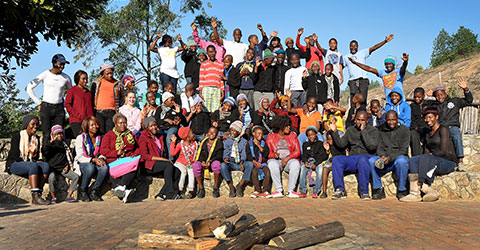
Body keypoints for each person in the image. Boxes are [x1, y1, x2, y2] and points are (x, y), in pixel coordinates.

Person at [401, 107, 457, 202]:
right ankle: (415, 193)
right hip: (432, 160)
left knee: (427, 158)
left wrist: (429, 156)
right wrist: (426, 157)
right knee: (413, 160)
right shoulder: (428, 133)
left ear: (437, 117)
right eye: (426, 118)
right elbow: (426, 151)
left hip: (447, 162)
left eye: (430, 117)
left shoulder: (443, 130)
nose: (428, 120)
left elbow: (444, 151)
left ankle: (427, 189)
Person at [329, 111, 378, 200]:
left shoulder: (373, 130)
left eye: (362, 120)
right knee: (336, 159)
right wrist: (335, 131)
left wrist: (363, 131)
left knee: (362, 160)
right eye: (358, 120)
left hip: (366, 157)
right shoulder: (350, 130)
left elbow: (372, 147)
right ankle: (340, 190)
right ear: (355, 119)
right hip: (353, 158)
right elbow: (341, 144)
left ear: (367, 121)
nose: (360, 122)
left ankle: (364, 192)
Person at [26, 54, 72, 144]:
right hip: (46, 106)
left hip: (59, 108)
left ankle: (59, 157)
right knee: (47, 134)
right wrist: (38, 103)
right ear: (54, 63)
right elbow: (29, 88)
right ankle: (46, 157)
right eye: (60, 64)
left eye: (64, 64)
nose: (62, 67)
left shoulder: (66, 77)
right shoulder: (45, 74)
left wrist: (66, 103)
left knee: (59, 133)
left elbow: (72, 92)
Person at [6, 115, 50, 205]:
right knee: (33, 166)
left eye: (37, 125)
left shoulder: (36, 138)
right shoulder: (17, 136)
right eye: (33, 124)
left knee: (45, 166)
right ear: (27, 124)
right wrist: (30, 161)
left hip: (28, 163)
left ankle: (38, 193)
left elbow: (35, 158)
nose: (35, 127)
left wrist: (34, 158)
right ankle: (35, 197)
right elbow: (15, 156)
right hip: (14, 163)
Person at [431, 78, 473, 168]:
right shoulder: (434, 105)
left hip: (452, 126)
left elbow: (469, 101)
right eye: (437, 95)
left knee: (457, 135)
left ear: (446, 94)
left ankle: (460, 160)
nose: (440, 97)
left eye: (442, 94)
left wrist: (466, 89)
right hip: (441, 128)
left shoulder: (455, 101)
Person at [368, 111, 410, 200]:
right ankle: (378, 189)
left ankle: (402, 189)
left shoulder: (405, 130)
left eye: (393, 120)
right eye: (389, 120)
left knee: (402, 161)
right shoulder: (380, 130)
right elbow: (379, 147)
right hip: (385, 159)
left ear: (397, 119)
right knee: (371, 161)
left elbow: (403, 150)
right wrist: (382, 156)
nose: (391, 122)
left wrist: (390, 158)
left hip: (397, 159)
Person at [100, 113, 140, 203]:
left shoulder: (131, 135)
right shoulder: (109, 135)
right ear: (115, 124)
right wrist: (116, 152)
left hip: (128, 161)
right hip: (114, 161)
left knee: (134, 168)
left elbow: (138, 147)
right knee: (112, 173)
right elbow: (103, 150)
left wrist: (135, 153)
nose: (123, 125)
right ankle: (125, 191)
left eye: (125, 123)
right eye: (120, 123)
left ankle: (121, 187)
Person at [344, 34, 394, 105]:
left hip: (363, 79)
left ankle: (363, 114)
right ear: (349, 47)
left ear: (358, 46)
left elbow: (374, 48)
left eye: (355, 46)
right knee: (353, 101)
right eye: (351, 46)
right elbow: (340, 66)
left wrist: (385, 41)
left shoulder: (362, 53)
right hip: (352, 80)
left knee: (363, 100)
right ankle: (353, 114)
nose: (353, 47)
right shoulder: (346, 57)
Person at [139, 117, 181, 200]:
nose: (154, 127)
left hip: (158, 163)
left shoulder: (159, 136)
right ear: (147, 127)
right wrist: (164, 159)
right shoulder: (143, 137)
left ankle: (161, 194)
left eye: (155, 125)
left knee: (177, 171)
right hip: (148, 165)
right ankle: (170, 193)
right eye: (151, 126)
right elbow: (145, 156)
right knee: (168, 165)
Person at [42, 125, 79, 203]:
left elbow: (67, 157)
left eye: (61, 133)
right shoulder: (50, 144)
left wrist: (67, 166)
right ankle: (53, 197)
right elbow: (44, 151)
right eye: (57, 134)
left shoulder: (64, 145)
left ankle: (69, 196)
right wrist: (51, 142)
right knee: (51, 178)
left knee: (75, 177)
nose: (60, 135)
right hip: (52, 168)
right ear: (53, 134)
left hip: (62, 168)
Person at [266, 115, 301, 198]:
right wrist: (274, 155)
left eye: (289, 125)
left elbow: (297, 151)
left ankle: (291, 191)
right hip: (276, 160)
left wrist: (287, 158)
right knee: (272, 164)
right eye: (286, 126)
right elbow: (267, 152)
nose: (289, 127)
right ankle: (278, 190)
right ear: (280, 126)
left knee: (295, 163)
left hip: (289, 160)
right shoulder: (271, 137)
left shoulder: (292, 136)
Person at [74, 116, 108, 202]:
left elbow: (103, 152)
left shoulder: (100, 137)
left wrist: (101, 159)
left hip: (96, 160)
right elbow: (80, 156)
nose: (95, 126)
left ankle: (94, 190)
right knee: (90, 168)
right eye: (92, 125)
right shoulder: (81, 138)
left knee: (104, 168)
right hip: (83, 162)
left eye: (96, 124)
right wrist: (93, 160)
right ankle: (83, 190)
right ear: (86, 126)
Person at [222, 120, 254, 197]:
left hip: (240, 163)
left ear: (239, 132)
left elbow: (244, 153)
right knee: (223, 166)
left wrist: (242, 161)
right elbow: (226, 151)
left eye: (234, 131)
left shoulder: (244, 141)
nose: (232, 132)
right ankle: (231, 187)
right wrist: (225, 158)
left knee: (250, 164)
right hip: (231, 163)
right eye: (231, 130)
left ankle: (240, 185)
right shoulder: (227, 141)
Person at [91, 64, 123, 134]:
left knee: (110, 132)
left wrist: (117, 107)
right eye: (107, 73)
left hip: (111, 111)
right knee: (100, 131)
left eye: (111, 73)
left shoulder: (118, 84)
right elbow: (92, 96)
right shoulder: (96, 83)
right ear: (103, 74)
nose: (110, 75)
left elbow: (122, 98)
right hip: (99, 112)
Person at [192, 127, 224, 198]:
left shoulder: (219, 143)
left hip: (213, 161)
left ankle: (215, 188)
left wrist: (211, 160)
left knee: (217, 164)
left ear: (217, 134)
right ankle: (201, 188)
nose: (211, 134)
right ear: (207, 133)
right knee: (195, 165)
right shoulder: (204, 142)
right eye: (210, 132)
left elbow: (219, 156)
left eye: (214, 133)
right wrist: (202, 161)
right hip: (204, 162)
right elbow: (200, 154)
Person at [299, 126, 329, 198]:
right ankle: (303, 190)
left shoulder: (320, 144)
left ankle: (316, 191)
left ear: (316, 134)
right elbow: (304, 155)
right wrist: (305, 161)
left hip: (317, 162)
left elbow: (322, 156)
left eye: (312, 135)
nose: (311, 137)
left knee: (320, 169)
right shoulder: (305, 144)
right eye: (309, 136)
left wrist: (315, 163)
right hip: (309, 162)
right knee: (302, 168)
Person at [154, 92, 183, 160]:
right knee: (159, 138)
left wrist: (179, 113)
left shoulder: (175, 108)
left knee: (169, 137)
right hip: (162, 128)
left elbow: (182, 120)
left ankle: (171, 159)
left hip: (172, 127)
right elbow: (157, 121)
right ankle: (161, 157)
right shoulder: (159, 109)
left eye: (173, 100)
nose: (173, 102)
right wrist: (165, 120)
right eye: (171, 100)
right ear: (165, 100)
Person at [65, 70, 94, 137]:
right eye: (83, 79)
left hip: (88, 122)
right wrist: (77, 115)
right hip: (76, 121)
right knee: (80, 139)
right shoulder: (72, 91)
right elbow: (67, 105)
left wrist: (91, 118)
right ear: (77, 79)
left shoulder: (88, 93)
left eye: (87, 79)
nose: (85, 81)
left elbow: (91, 106)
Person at [170, 127, 197, 199]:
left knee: (191, 171)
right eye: (192, 133)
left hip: (189, 164)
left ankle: (191, 191)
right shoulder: (180, 144)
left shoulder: (195, 144)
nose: (193, 134)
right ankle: (179, 191)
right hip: (180, 163)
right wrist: (173, 142)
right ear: (187, 137)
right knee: (183, 171)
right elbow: (173, 153)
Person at [320, 130, 346, 198]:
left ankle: (342, 190)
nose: (329, 141)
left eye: (330, 139)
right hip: (333, 162)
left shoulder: (339, 144)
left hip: (340, 163)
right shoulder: (328, 145)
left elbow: (342, 155)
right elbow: (324, 157)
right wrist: (327, 150)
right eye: (327, 139)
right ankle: (324, 192)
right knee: (325, 169)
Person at [199, 45, 225, 113]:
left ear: (215, 52)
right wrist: (200, 91)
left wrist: (222, 92)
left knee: (216, 110)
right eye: (209, 52)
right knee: (206, 109)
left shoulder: (221, 65)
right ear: (207, 53)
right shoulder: (203, 64)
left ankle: (214, 123)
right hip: (206, 89)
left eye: (213, 52)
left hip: (217, 89)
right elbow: (201, 78)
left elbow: (221, 79)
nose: (211, 54)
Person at [248, 126, 272, 198]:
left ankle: (265, 190)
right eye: (258, 134)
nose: (260, 135)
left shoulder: (264, 144)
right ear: (253, 134)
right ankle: (257, 190)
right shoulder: (249, 144)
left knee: (267, 172)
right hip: (254, 163)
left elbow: (265, 154)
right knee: (254, 172)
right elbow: (248, 155)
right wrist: (255, 162)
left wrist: (259, 146)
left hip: (263, 163)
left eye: (261, 134)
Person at [410, 87, 433, 156]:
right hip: (416, 128)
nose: (417, 99)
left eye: (419, 97)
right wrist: (416, 128)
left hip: (427, 126)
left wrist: (433, 95)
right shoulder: (412, 106)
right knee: (413, 134)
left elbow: (440, 101)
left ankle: (427, 155)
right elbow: (412, 119)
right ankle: (416, 156)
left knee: (428, 134)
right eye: (415, 97)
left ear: (423, 96)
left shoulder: (429, 104)